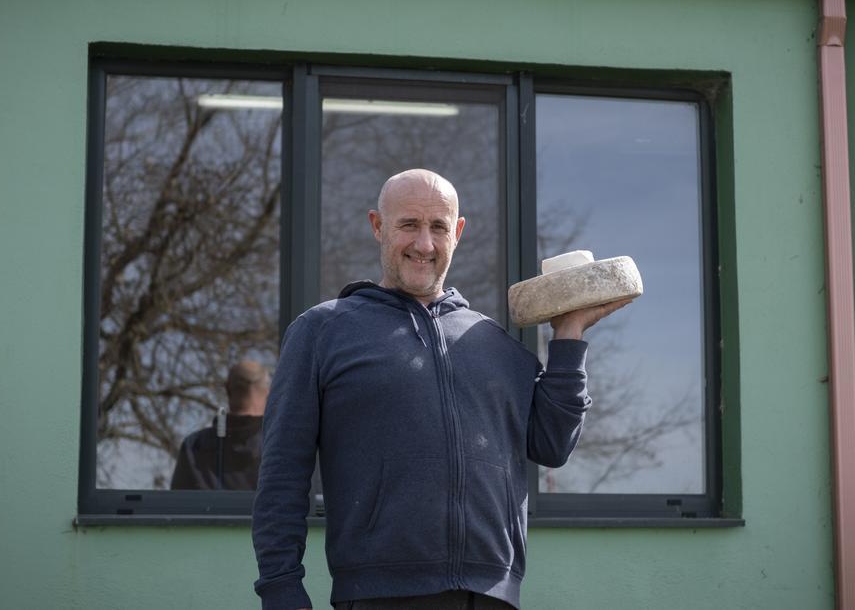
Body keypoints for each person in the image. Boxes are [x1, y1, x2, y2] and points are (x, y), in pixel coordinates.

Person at [252, 169, 629, 610]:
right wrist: (281, 590)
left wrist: (568, 336)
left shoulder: (497, 345)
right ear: (378, 226)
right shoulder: (322, 332)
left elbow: (552, 444)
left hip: (492, 595)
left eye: (438, 228)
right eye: (408, 225)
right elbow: (281, 477)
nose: (424, 245)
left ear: (459, 232)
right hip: (379, 595)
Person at [170, 360, 270, 491]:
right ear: (268, 392)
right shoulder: (283, 446)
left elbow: (177, 506)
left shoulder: (195, 447)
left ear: (228, 390)